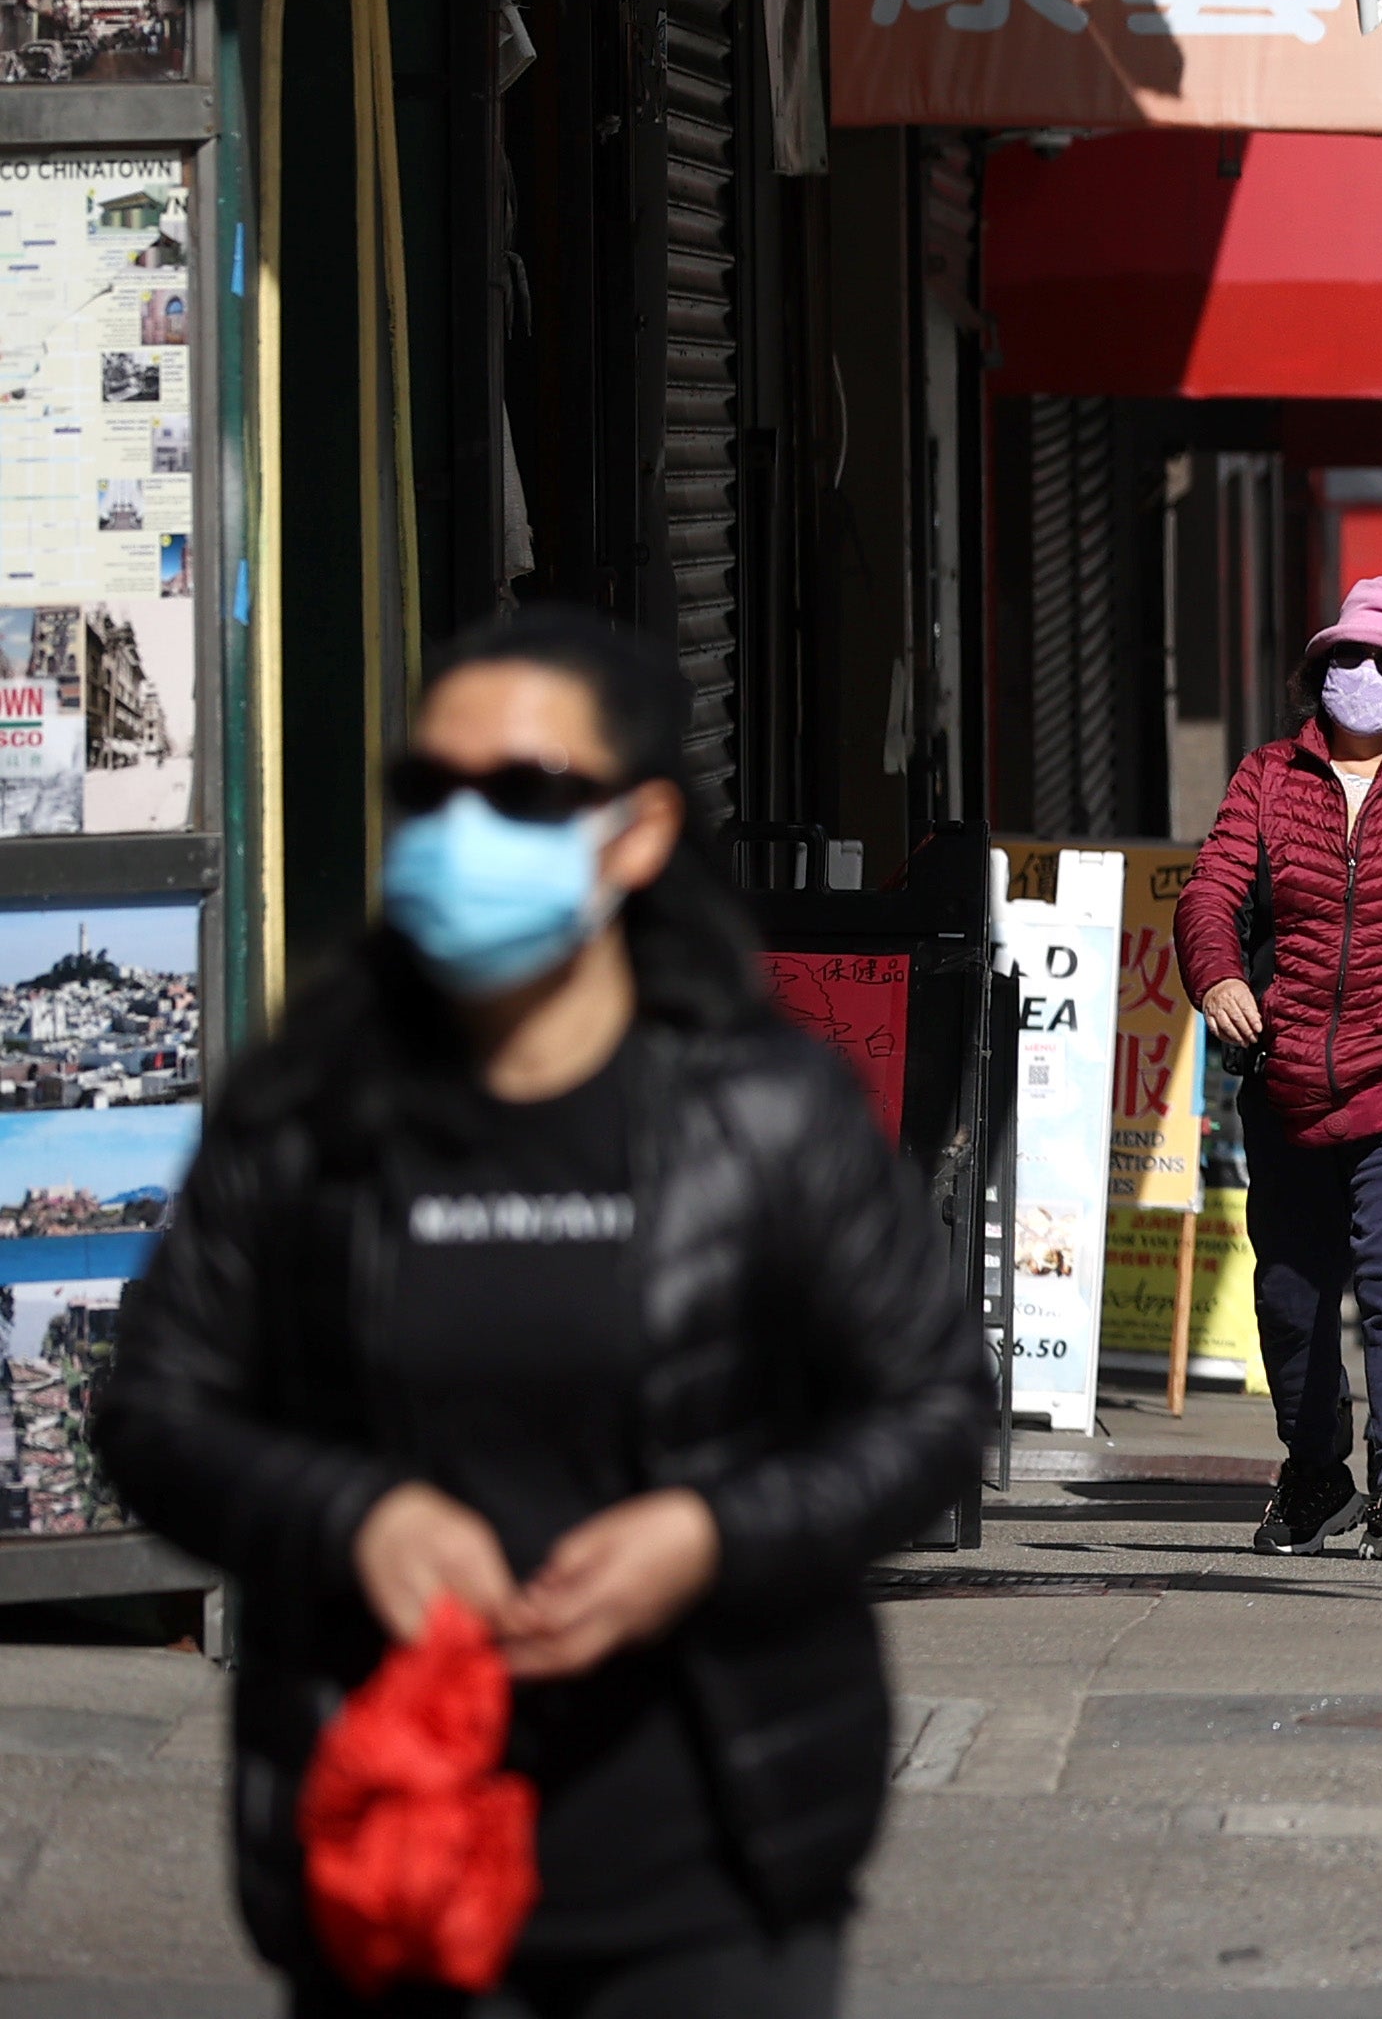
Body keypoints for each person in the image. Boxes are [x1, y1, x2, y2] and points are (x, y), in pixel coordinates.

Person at [98, 607, 989, 2016]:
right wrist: (354, 1518)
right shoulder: (308, 1116)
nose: (463, 831)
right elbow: (154, 1409)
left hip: (712, 1863)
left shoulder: (762, 1114)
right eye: (428, 792)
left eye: (519, 794)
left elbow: (933, 1407)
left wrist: (709, 1535)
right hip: (396, 1854)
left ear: (637, 832)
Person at [1180, 575, 1382, 1562]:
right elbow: (1210, 892)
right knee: (1290, 1296)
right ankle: (1315, 1474)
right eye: (1348, 657)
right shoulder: (1270, 774)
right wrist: (1219, 976)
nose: (1364, 675)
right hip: (1284, 1079)